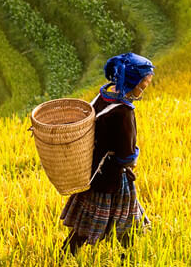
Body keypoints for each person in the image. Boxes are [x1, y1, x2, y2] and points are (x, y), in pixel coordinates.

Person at [61, 53, 155, 254]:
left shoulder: (102, 96)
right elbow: (127, 155)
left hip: (93, 170)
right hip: (113, 177)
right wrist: (133, 160)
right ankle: (128, 260)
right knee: (125, 223)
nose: (144, 88)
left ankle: (66, 255)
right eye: (143, 84)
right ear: (132, 83)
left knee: (86, 223)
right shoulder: (123, 113)